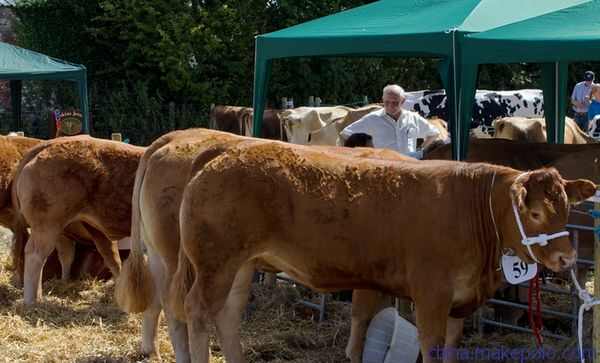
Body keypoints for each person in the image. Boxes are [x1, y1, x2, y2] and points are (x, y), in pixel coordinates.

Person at [339, 84, 439, 157]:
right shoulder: (372, 119)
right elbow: (346, 134)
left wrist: (420, 150)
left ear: (403, 101)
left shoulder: (413, 118)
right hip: (383, 169)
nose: (390, 106)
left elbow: (434, 133)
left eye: (395, 103)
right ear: (383, 100)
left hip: (409, 167)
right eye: (387, 102)